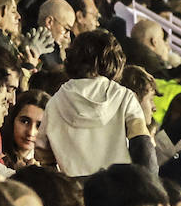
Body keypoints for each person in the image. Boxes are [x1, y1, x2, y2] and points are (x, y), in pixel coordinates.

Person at [41, 30, 155, 177]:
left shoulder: (55, 102)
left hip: (74, 191)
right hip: (118, 186)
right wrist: (150, 185)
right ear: (115, 61)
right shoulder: (123, 96)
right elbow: (142, 145)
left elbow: (42, 152)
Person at [1, 89, 48, 170]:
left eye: (40, 125)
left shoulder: (54, 164)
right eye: (25, 121)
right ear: (12, 120)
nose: (31, 132)